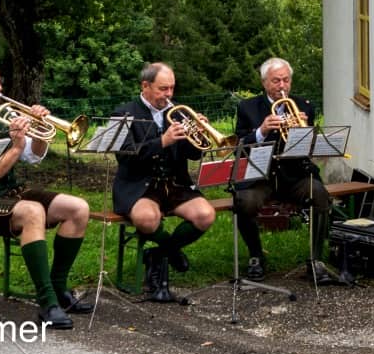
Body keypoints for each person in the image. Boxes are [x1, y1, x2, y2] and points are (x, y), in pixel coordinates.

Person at [0, 62, 92, 328]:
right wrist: (16, 145)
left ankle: (58, 287)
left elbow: (33, 156)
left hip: (10, 193)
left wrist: (39, 126)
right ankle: (47, 303)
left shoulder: (0, 118)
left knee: (77, 207)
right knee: (33, 211)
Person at [111, 62, 216, 302]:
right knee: (147, 219)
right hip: (139, 184)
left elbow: (194, 154)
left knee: (205, 215)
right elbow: (124, 155)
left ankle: (158, 254)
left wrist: (199, 133)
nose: (169, 95)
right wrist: (162, 141)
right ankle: (171, 251)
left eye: (171, 88)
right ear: (145, 86)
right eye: (163, 89)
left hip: (174, 183)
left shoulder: (178, 111)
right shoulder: (123, 113)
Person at [232, 57, 334, 283]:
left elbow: (308, 148)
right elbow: (239, 146)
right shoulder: (248, 108)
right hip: (261, 176)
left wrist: (304, 131)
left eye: (286, 80)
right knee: (243, 201)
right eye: (276, 81)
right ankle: (256, 256)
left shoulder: (304, 105)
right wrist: (261, 130)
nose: (282, 86)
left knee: (319, 194)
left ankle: (314, 259)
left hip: (294, 174)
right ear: (264, 83)